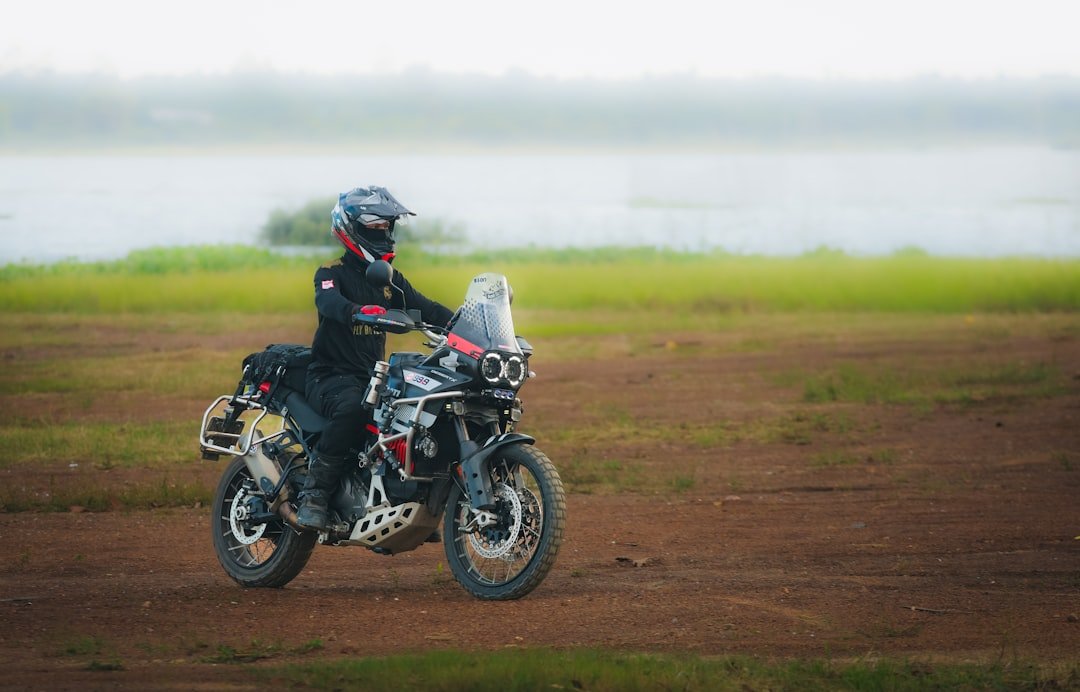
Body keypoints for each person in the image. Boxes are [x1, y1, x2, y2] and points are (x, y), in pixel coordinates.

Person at [296, 186, 455, 531]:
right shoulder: (330, 274)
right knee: (353, 407)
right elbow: (329, 304)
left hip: (374, 380)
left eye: (387, 227)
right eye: (375, 227)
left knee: (419, 409)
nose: (383, 234)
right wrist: (357, 312)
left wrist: (463, 325)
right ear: (352, 228)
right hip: (330, 377)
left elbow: (427, 308)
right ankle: (315, 495)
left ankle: (410, 501)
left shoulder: (389, 280)